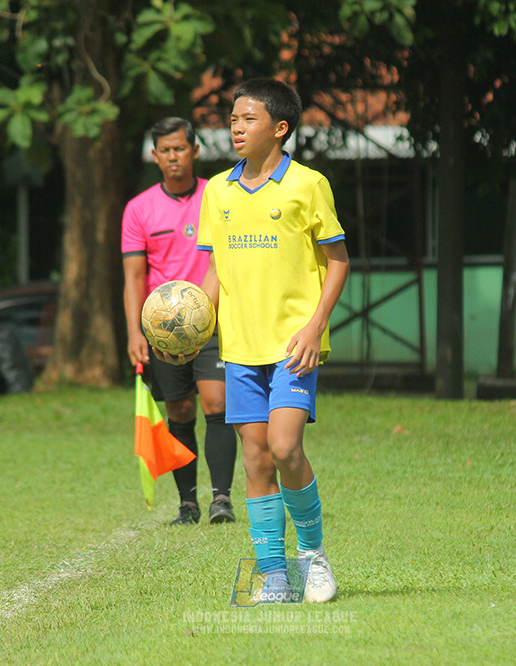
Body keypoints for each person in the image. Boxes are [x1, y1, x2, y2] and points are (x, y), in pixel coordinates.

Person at [195, 78, 350, 603]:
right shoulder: (217, 190)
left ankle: (313, 557)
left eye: (248, 119)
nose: (236, 128)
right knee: (256, 460)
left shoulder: (308, 185)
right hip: (238, 347)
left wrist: (314, 328)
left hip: (292, 347)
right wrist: (194, 321)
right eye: (233, 119)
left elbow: (338, 262)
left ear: (279, 128)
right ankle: (276, 577)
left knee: (285, 447)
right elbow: (217, 269)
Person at [121, 117, 238, 526]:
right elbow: (134, 278)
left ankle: (221, 498)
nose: (173, 156)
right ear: (155, 156)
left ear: (195, 150)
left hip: (212, 322)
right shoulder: (138, 209)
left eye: (180, 148)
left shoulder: (217, 196)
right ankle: (187, 504)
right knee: (180, 409)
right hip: (163, 331)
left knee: (217, 403)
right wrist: (135, 332)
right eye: (165, 150)